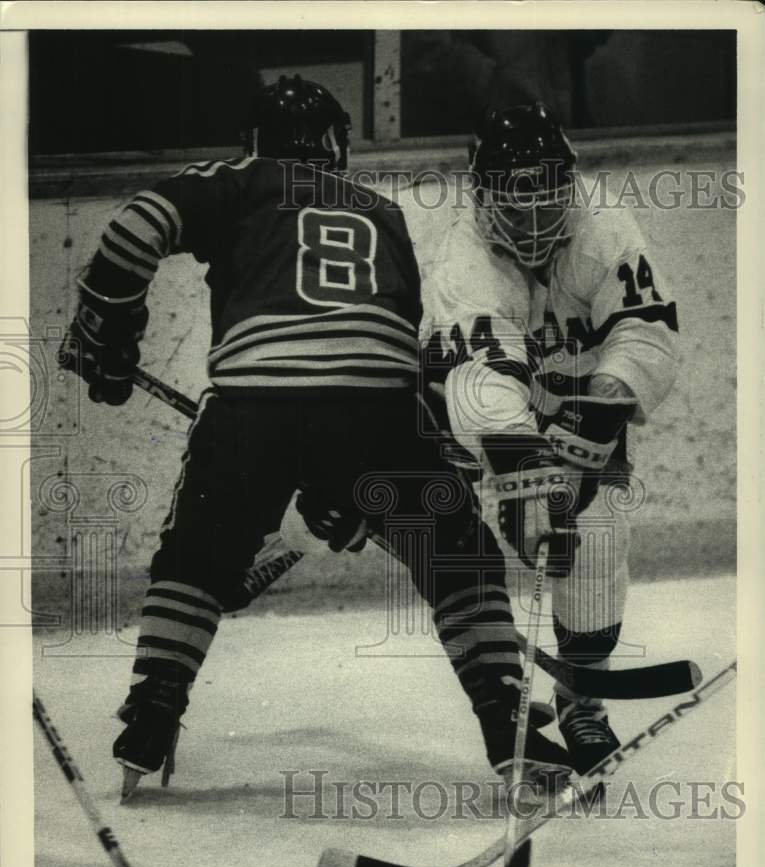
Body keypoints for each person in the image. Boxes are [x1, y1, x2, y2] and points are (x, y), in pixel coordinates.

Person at [60, 77, 572, 802]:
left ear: (255, 141)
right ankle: (510, 726)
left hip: (250, 410)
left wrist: (108, 329)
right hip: (379, 413)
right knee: (459, 556)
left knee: (198, 559)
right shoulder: (382, 212)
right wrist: (360, 490)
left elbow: (138, 224)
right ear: (336, 145)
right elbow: (394, 356)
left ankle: (150, 715)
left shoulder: (238, 180)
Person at [420, 101, 680, 774]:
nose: (536, 221)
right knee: (443, 532)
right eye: (517, 203)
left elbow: (644, 333)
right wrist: (525, 471)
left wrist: (591, 424)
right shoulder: (463, 256)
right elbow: (482, 375)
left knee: (593, 541)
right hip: (477, 410)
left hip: (575, 396)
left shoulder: (604, 227)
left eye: (547, 199)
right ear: (482, 198)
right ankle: (500, 693)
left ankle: (580, 702)